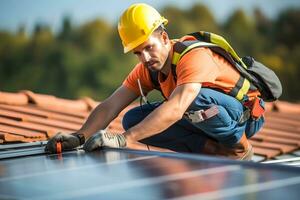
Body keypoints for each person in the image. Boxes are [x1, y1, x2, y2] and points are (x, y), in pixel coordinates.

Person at [45, 3, 265, 160]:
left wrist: (124, 139)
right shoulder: (147, 68)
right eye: (138, 53)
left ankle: (239, 149)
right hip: (209, 116)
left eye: (149, 48)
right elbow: (111, 105)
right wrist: (79, 137)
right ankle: (214, 150)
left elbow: (177, 107)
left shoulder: (193, 57)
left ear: (164, 38)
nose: (145, 58)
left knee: (192, 99)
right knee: (133, 119)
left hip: (244, 117)